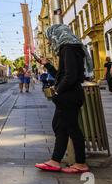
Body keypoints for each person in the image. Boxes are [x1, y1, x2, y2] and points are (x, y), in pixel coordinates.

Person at [35, 24, 92, 174]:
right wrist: (47, 65)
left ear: (56, 35)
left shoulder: (68, 48)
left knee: (72, 129)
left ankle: (80, 163)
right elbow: (62, 75)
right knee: (60, 127)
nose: (49, 42)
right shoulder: (67, 48)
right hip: (68, 95)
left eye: (49, 38)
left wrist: (57, 90)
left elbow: (71, 76)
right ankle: (55, 161)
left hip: (69, 95)